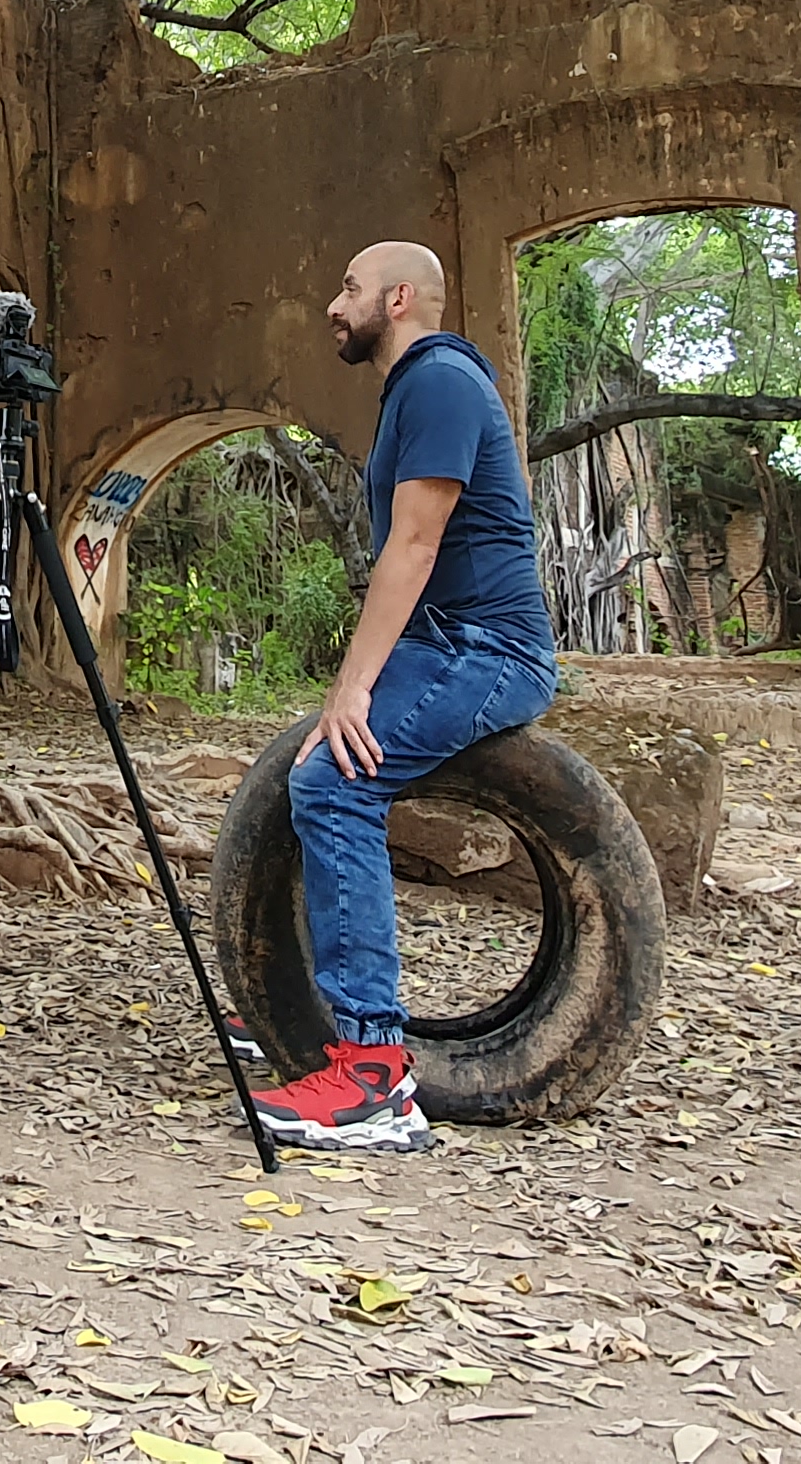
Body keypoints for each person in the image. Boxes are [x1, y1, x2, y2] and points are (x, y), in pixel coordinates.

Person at [245, 240, 560, 1152]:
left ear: (397, 298)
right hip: (444, 643)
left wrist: (353, 687)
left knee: (335, 780)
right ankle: (307, 1022)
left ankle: (374, 1079)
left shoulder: (441, 382)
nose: (332, 305)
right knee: (310, 764)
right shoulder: (414, 390)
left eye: (348, 288)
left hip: (487, 648)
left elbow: (415, 548)